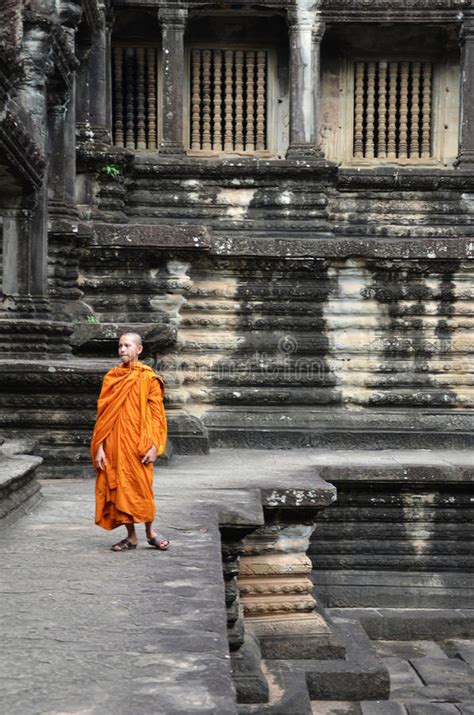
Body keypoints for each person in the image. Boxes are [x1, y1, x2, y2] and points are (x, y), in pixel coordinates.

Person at [91, 332, 169, 551]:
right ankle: (131, 536)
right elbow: (104, 416)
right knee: (117, 488)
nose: (122, 350)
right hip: (115, 443)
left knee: (142, 489)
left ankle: (150, 532)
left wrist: (155, 446)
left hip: (140, 444)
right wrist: (100, 448)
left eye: (127, 346)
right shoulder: (112, 377)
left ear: (139, 350)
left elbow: (157, 415)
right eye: (120, 346)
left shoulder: (148, 377)